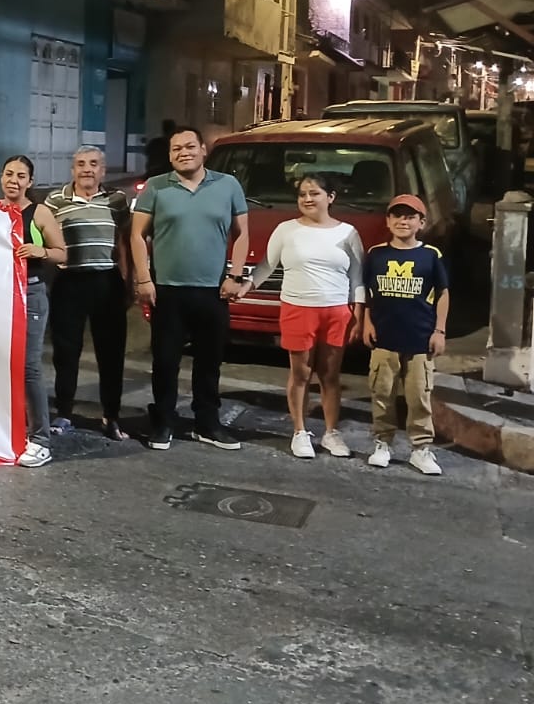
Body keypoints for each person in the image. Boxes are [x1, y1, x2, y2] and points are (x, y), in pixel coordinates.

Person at [130, 125, 251, 451]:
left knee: (210, 362)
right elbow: (137, 235)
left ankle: (207, 423)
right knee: (166, 361)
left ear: (203, 150)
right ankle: (163, 421)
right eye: (176, 149)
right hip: (167, 291)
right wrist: (144, 279)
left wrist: (234, 275)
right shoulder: (156, 187)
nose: (183, 153)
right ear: (169, 155)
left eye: (189, 146)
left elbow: (242, 234)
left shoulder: (227, 186)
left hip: (213, 291)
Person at [237, 172, 366, 459]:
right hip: (298, 308)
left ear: (331, 197)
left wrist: (358, 313)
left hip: (336, 311)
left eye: (315, 193)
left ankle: (332, 433)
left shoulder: (348, 233)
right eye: (303, 194)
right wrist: (246, 285)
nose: (307, 199)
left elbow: (357, 276)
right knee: (301, 374)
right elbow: (267, 265)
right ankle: (299, 432)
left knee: (330, 375)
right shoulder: (286, 230)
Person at [357, 194, 451, 475]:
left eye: (410, 216)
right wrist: (366, 322)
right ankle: (382, 443)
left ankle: (420, 449)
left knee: (419, 397)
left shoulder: (430, 255)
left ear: (421, 223)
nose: (402, 221)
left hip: (420, 339)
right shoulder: (376, 254)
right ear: (388, 221)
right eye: (397, 216)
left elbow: (443, 293)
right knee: (382, 393)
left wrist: (440, 330)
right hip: (384, 338)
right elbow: (367, 294)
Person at [44, 145, 132, 440]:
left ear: (102, 170)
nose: (87, 169)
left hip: (106, 282)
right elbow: (44, 236)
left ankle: (111, 416)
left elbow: (125, 242)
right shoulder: (56, 200)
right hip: (70, 283)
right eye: (81, 164)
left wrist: (130, 281)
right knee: (66, 352)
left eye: (93, 164)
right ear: (73, 170)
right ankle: (64, 413)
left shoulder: (117, 200)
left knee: (111, 353)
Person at [0, 155, 67, 468]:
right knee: (1, 364)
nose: (14, 180)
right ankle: (10, 429)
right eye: (9, 174)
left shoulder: (39, 212)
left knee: (29, 367)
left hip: (32, 294)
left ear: (30, 181)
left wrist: (40, 250)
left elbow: (61, 252)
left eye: (21, 175)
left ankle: (40, 439)